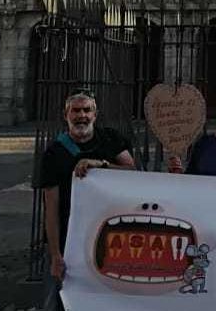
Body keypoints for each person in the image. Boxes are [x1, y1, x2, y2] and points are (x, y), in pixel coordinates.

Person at [38, 91, 135, 309]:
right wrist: (54, 254)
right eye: (76, 110)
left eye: (86, 110)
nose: (81, 115)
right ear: (66, 115)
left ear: (95, 114)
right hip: (68, 238)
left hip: (108, 238)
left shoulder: (111, 140)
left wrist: (102, 165)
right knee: (57, 301)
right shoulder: (54, 154)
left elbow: (133, 171)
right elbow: (50, 208)